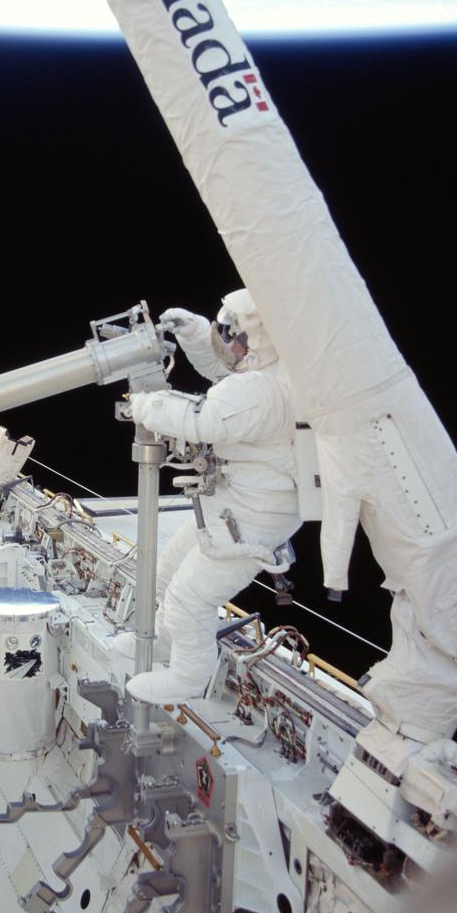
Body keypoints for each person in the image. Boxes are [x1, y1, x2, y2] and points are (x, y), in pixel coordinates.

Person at [119, 290, 301, 704]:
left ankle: (189, 676)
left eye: (236, 336)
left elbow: (203, 420)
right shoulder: (264, 370)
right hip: (236, 501)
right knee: (166, 572)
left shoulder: (266, 390)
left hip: (254, 518)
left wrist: (145, 404)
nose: (230, 344)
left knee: (190, 600)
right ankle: (165, 641)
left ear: (259, 339)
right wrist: (198, 332)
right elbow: (226, 368)